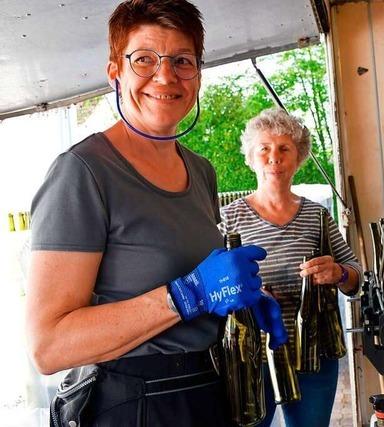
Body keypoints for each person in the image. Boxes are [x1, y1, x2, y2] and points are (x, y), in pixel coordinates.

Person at [25, 1, 286, 426]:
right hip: (131, 403)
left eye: (182, 61)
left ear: (198, 74)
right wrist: (188, 295)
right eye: (144, 59)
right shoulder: (83, 171)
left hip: (206, 387)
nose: (165, 76)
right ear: (115, 70)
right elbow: (49, 346)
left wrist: (236, 303)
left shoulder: (201, 171)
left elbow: (191, 280)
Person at [220, 108, 362, 427]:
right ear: (251, 158)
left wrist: (338, 272)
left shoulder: (317, 216)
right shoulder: (229, 220)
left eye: (285, 148)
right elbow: (215, 289)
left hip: (313, 354)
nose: (274, 157)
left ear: (298, 158)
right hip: (251, 355)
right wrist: (248, 293)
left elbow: (355, 276)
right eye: (265, 148)